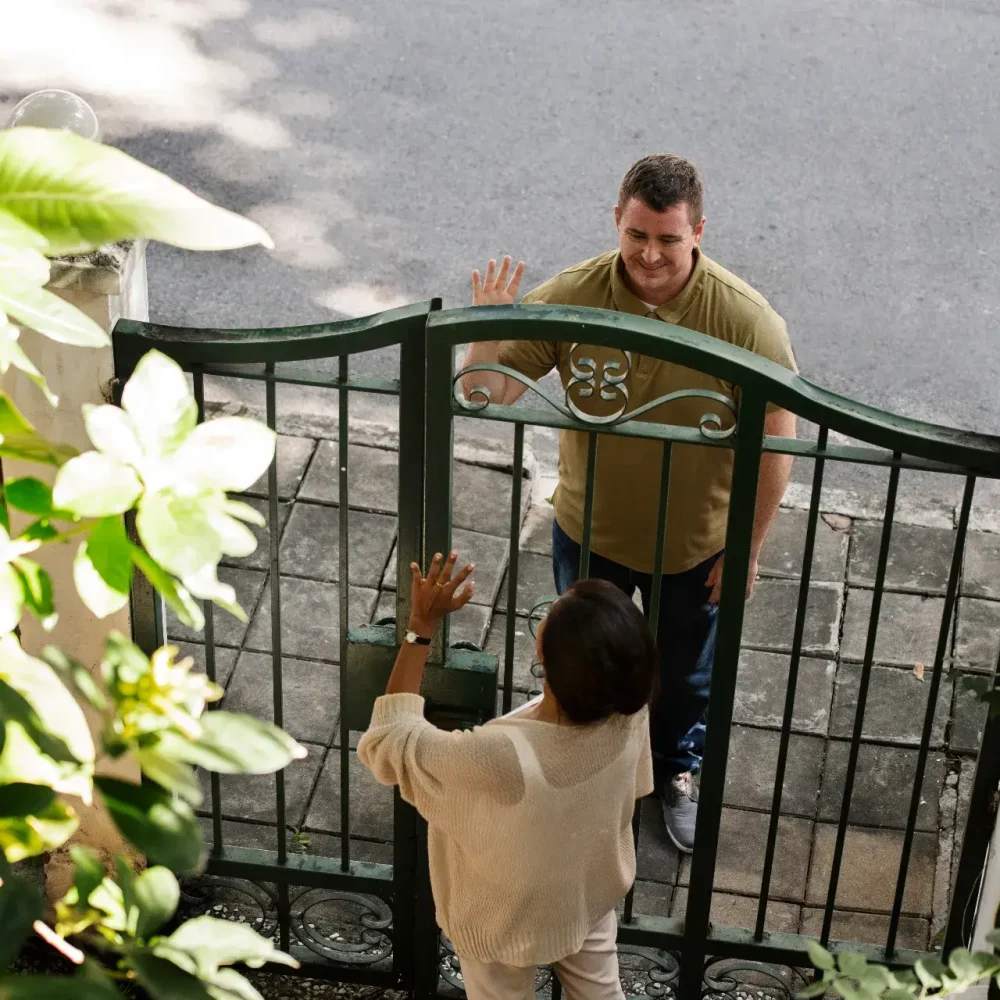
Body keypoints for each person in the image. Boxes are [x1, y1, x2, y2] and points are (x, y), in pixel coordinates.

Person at [460, 153, 797, 853]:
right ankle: (580, 775)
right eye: (637, 234)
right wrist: (488, 329)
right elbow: (485, 394)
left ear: (698, 231)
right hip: (589, 534)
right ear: (617, 220)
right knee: (583, 669)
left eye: (668, 239)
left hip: (692, 546)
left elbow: (776, 445)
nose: (650, 255)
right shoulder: (576, 293)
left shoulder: (744, 320)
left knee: (683, 677)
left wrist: (748, 547)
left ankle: (674, 771)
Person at [358, 550, 657, 1000]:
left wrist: (421, 627)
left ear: (543, 651)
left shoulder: (502, 755)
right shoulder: (626, 707)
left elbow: (387, 741)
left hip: (500, 913)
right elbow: (636, 787)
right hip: (585, 890)